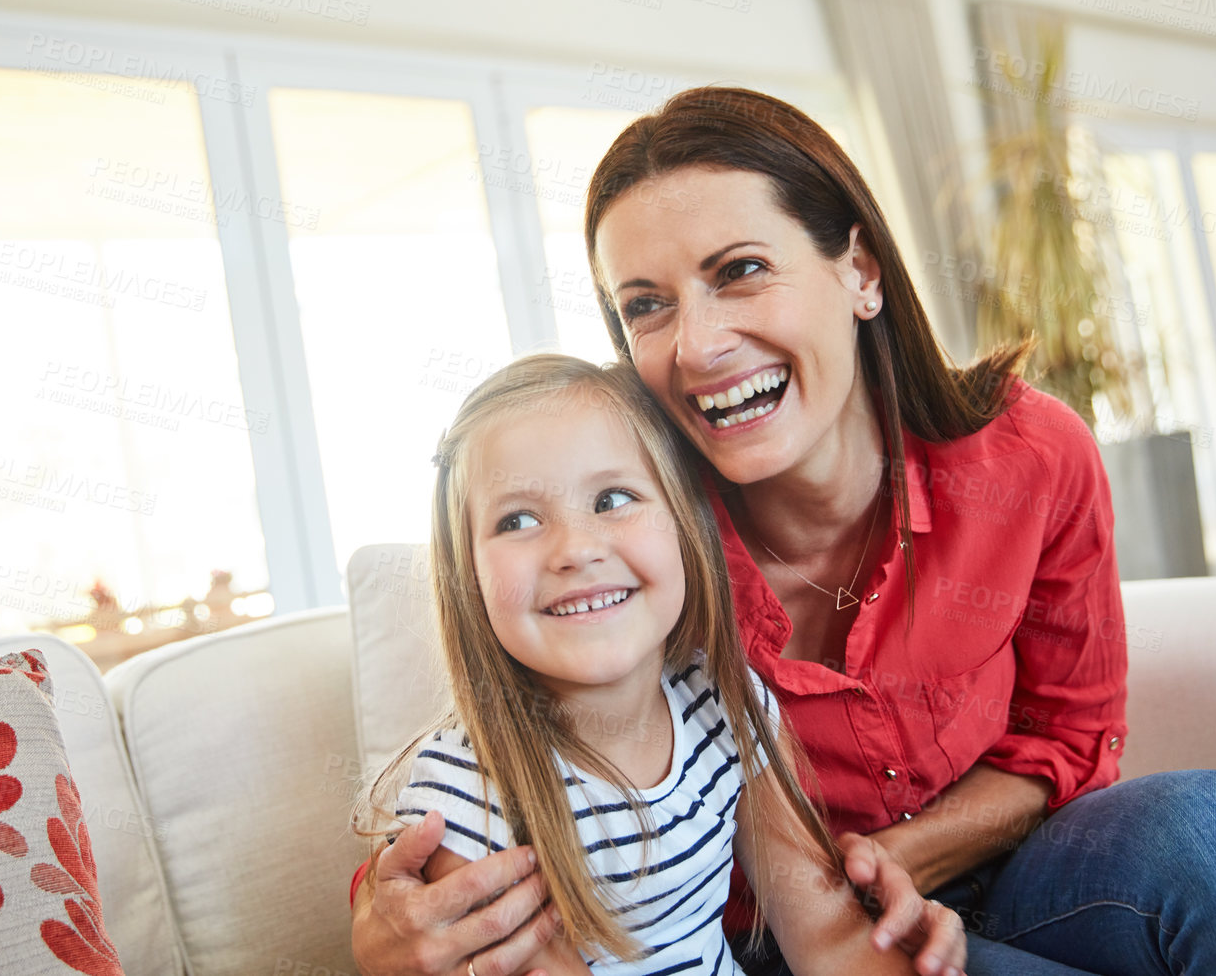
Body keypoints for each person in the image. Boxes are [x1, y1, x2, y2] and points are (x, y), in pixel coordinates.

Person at [351, 86, 1216, 975]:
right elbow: (518, 743)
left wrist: (900, 854)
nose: (697, 344)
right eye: (646, 306)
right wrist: (385, 910)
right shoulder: (637, 537)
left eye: (739, 269)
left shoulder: (1029, 457)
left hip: (1007, 872)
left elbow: (1066, 735)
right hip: (782, 940)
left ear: (860, 270)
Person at [356, 353, 963, 976]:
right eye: (518, 520)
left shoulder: (726, 704)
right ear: (468, 579)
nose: (576, 549)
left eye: (613, 498)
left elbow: (830, 939)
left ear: (684, 527)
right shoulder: (466, 796)